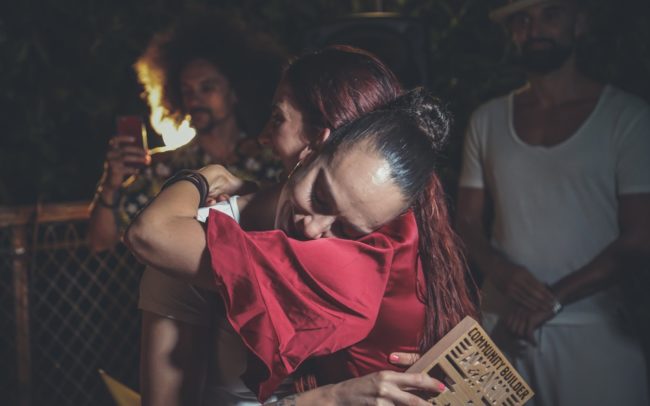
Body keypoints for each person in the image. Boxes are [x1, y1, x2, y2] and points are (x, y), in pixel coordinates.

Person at [137, 46, 473, 406]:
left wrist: (205, 178)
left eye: (278, 118)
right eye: (321, 196)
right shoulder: (199, 236)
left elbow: (152, 233)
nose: (315, 229)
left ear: (319, 139)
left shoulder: (380, 248)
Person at [456, 1, 650, 405]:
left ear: (580, 23)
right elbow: (467, 221)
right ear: (511, 33)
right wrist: (501, 271)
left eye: (551, 15)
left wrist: (554, 298)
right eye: (522, 19)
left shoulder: (628, 118)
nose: (535, 29)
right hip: (497, 327)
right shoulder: (486, 119)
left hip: (593, 327)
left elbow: (640, 237)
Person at [87, 10, 283, 252]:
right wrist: (110, 184)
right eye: (187, 91)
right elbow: (100, 242)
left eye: (207, 87)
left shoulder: (271, 158)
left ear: (234, 92)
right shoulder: (163, 167)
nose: (195, 99)